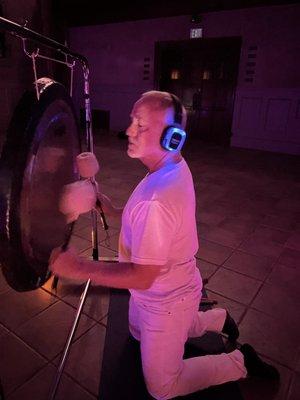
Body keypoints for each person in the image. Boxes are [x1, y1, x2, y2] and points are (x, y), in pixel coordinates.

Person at [50, 91, 279, 400]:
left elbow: (143, 276)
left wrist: (78, 267)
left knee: (162, 388)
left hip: (166, 301)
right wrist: (113, 209)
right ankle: (216, 319)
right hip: (166, 292)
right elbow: (146, 221)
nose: (129, 130)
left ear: (173, 137)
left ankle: (240, 362)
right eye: (132, 120)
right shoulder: (171, 167)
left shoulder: (157, 199)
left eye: (141, 125)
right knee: (135, 334)